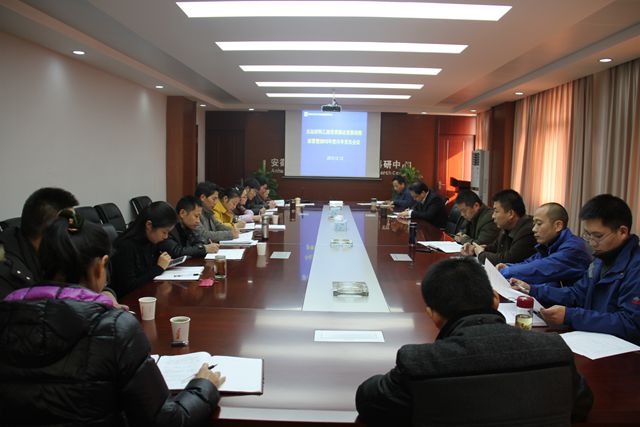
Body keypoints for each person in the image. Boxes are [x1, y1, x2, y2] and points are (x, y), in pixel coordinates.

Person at [0, 210, 224, 425]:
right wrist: (203, 386)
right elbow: (165, 420)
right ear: (100, 267)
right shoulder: (114, 327)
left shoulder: (6, 314)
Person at [355, 257, 592, 426]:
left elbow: (368, 400)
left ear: (433, 315)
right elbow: (582, 403)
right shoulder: (554, 350)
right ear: (495, 300)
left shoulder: (420, 363)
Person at [514, 195, 640, 345]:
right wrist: (533, 290)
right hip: (591, 339)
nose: (592, 242)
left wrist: (571, 316)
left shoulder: (635, 267)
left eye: (598, 236)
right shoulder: (600, 259)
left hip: (621, 349)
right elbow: (577, 294)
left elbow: (631, 324)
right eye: (587, 234)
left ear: (622, 232)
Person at [0, 188, 78, 298]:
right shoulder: (6, 278)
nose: (74, 236)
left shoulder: (53, 255)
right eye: (68, 230)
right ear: (49, 232)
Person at [497, 202, 591, 287]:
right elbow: (531, 263)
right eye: (534, 224)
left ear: (558, 225)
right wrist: (509, 266)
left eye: (539, 224)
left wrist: (505, 272)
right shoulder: (549, 244)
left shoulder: (574, 248)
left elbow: (541, 268)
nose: (533, 229)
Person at [110, 201, 178, 296]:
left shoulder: (150, 240)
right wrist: (159, 268)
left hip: (147, 294)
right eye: (164, 232)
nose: (166, 237)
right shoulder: (125, 246)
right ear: (149, 225)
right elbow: (129, 287)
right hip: (129, 300)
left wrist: (164, 263)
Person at [462, 189, 536, 264]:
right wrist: (474, 249)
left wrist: (481, 254)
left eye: (496, 211)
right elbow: (494, 248)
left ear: (510, 214)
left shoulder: (528, 231)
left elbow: (508, 259)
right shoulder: (506, 227)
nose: (493, 216)